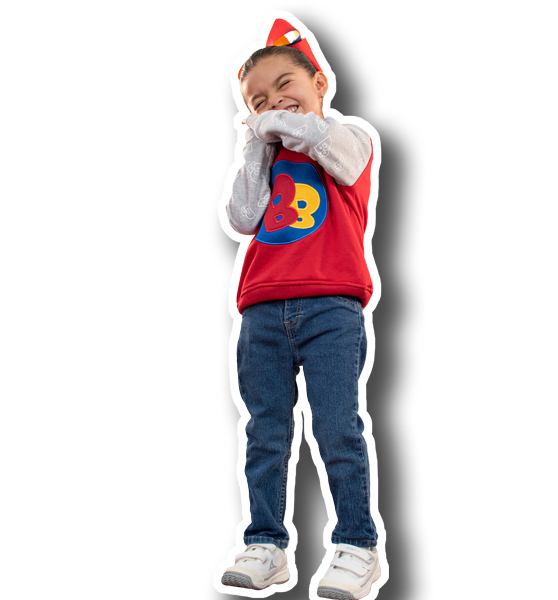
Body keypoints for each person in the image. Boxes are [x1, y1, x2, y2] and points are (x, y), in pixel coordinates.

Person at [220, 17, 384, 600]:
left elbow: (340, 159)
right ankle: (266, 543)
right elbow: (243, 216)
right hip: (262, 308)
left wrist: (279, 122)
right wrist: (254, 146)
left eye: (284, 85)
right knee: (265, 432)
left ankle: (357, 544)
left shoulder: (348, 137)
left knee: (337, 426)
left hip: (331, 305)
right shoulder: (266, 155)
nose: (272, 103)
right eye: (257, 100)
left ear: (320, 83)